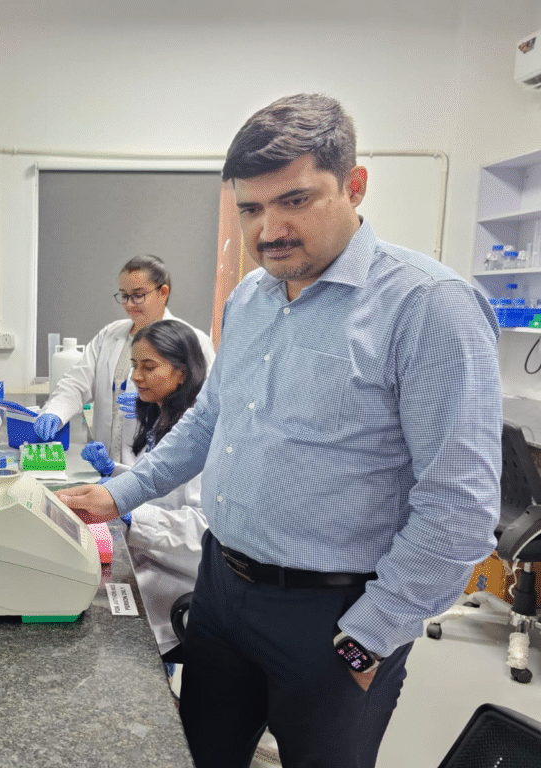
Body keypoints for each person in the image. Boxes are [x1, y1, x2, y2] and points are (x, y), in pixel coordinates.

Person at [59, 93, 502, 768]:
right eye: (251, 209)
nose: (269, 230)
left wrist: (370, 637)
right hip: (221, 591)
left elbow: (460, 509)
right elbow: (213, 419)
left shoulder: (428, 307)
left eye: (295, 200)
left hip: (334, 616)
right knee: (198, 755)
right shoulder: (251, 298)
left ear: (353, 186)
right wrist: (120, 493)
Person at [81, 319, 208, 662]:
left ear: (182, 373)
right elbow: (156, 482)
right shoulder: (159, 416)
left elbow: (204, 532)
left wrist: (132, 514)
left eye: (148, 367)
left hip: (177, 582)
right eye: (135, 365)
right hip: (148, 564)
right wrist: (116, 474)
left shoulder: (199, 436)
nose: (136, 376)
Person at [32, 254, 216, 465]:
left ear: (163, 292)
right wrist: (54, 412)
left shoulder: (191, 340)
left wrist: (155, 407)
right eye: (124, 296)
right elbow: (76, 383)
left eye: (138, 295)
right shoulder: (110, 335)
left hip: (159, 470)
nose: (130, 304)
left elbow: (207, 406)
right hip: (106, 465)